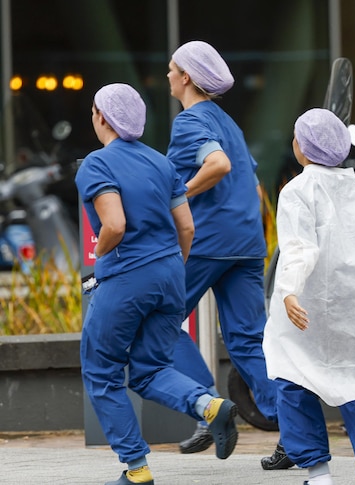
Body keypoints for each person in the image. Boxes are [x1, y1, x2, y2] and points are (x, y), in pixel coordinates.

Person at [77, 83, 238, 485]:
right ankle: (209, 406)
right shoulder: (161, 163)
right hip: (169, 276)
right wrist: (170, 267)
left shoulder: (96, 164)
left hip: (126, 278)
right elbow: (186, 226)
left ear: (101, 117)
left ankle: (137, 469)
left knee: (102, 372)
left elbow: (114, 224)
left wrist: (104, 261)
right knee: (150, 370)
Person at [262, 108, 355, 485]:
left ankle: (318, 474)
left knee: (293, 382)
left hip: (309, 312)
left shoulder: (297, 190)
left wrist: (290, 291)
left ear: (302, 147)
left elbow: (298, 248)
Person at [164, 40, 289, 470]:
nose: (167, 75)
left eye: (171, 69)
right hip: (247, 243)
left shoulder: (189, 121)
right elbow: (254, 189)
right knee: (249, 337)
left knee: (161, 318)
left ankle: (207, 408)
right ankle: (291, 433)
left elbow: (217, 165)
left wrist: (174, 196)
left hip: (206, 242)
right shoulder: (228, 122)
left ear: (186, 78)